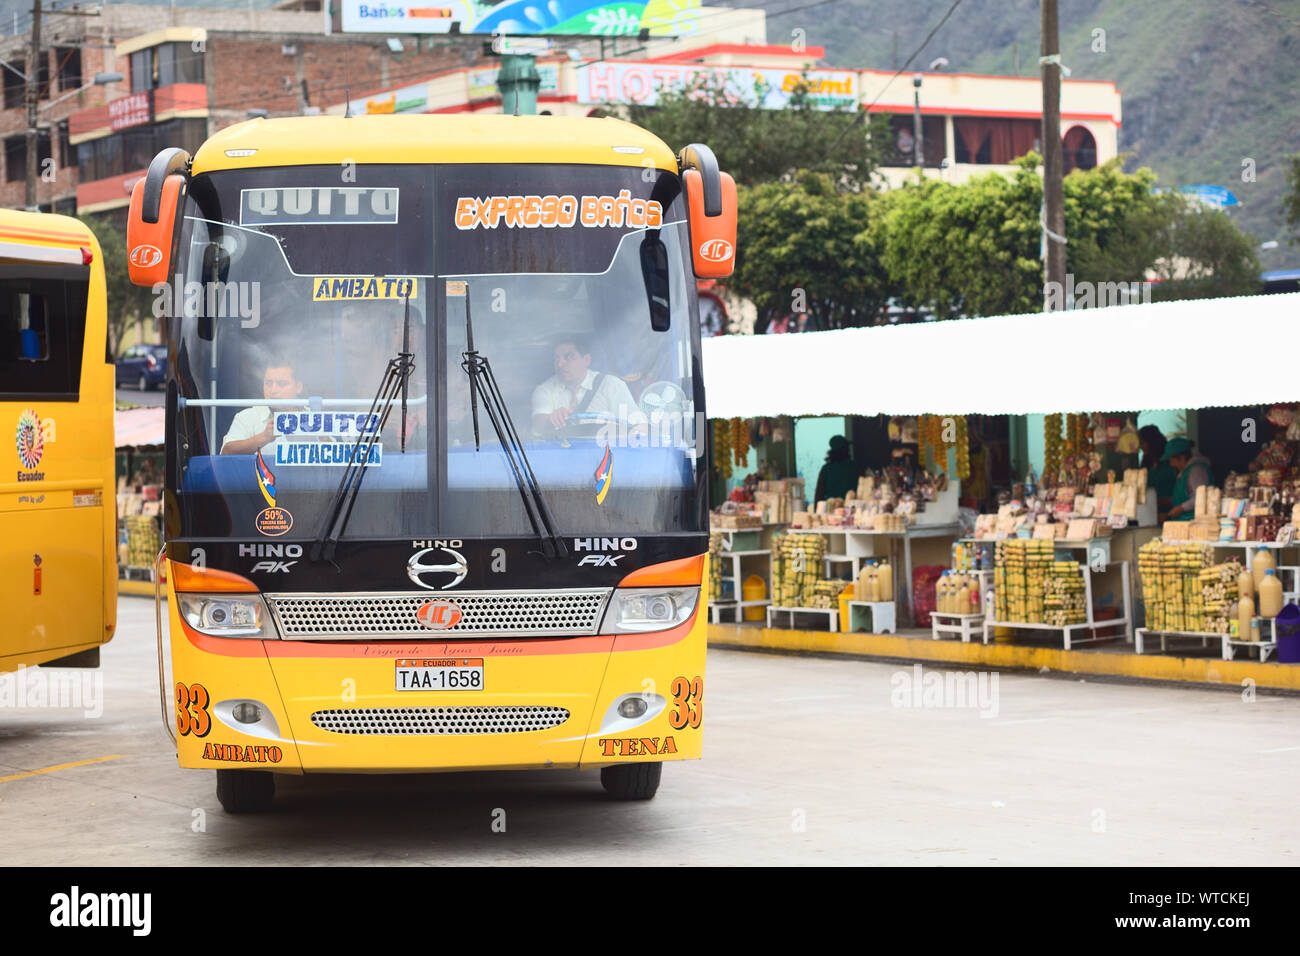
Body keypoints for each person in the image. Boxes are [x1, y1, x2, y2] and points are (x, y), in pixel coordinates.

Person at [531, 337, 646, 438]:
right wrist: (551, 419)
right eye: (556, 359)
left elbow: (639, 426)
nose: (560, 364)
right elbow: (538, 423)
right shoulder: (545, 390)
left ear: (586, 360)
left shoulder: (611, 385)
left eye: (569, 357)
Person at [220, 358, 304, 455]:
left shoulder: (316, 417)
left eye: (281, 384)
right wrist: (264, 437)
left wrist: (324, 440)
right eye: (268, 383)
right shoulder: (247, 417)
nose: (273, 390)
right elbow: (226, 452)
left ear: (298, 387)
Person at [1164, 437, 1212, 521]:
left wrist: (1181, 508)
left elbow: (1201, 497)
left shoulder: (1196, 471)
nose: (1171, 465)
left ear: (1181, 457)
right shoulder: (1185, 472)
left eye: (1171, 460)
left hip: (1194, 523)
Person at [1138, 425, 1177, 512]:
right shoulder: (1147, 465)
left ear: (1151, 442)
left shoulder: (1170, 464)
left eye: (1142, 443)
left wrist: (1162, 501)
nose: (1141, 447)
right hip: (1149, 513)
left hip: (1171, 513)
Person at [815, 435, 859, 502]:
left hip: (830, 509)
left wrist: (817, 511)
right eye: (847, 448)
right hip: (850, 509)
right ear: (845, 450)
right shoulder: (853, 467)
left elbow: (819, 494)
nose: (849, 450)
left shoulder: (826, 469)